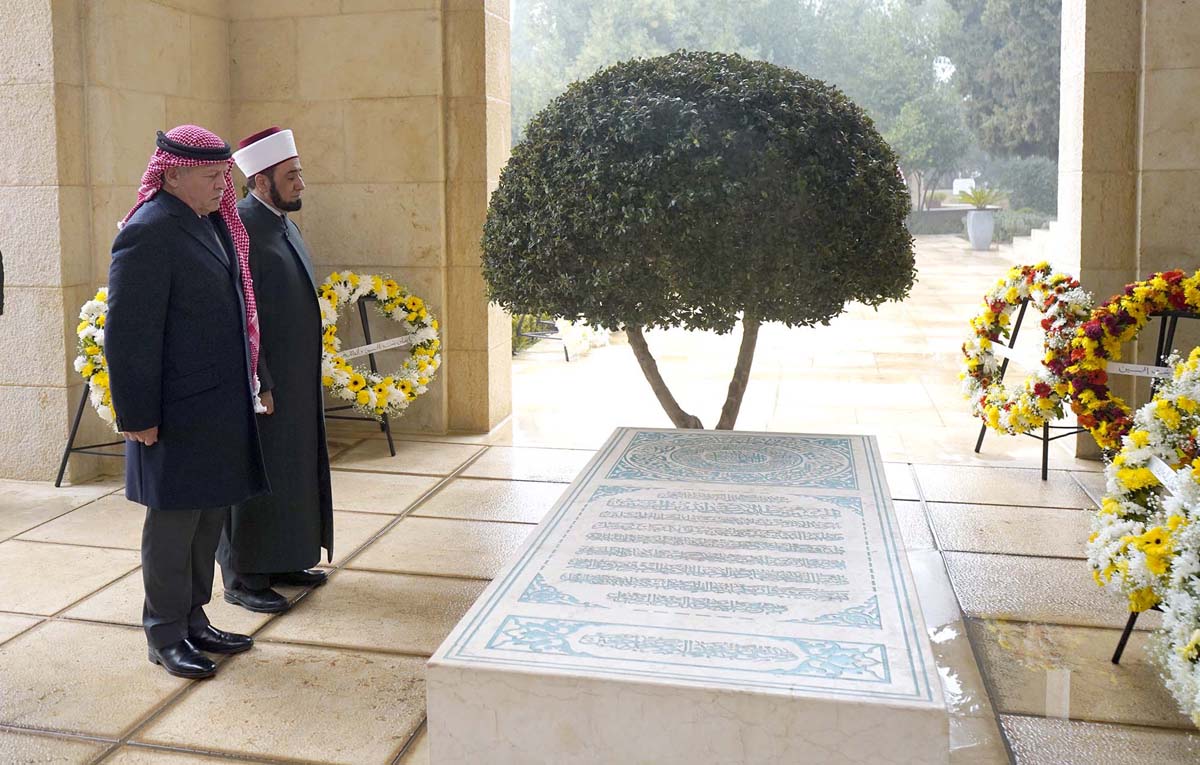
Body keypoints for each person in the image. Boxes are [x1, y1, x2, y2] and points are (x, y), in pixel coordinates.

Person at [105, 125, 270, 679]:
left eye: (226, 175)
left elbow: (239, 309)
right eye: (211, 176)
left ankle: (194, 617)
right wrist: (139, 417)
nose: (224, 185)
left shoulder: (209, 223)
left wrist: (259, 377)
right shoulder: (149, 232)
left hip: (219, 406)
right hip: (174, 413)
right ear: (171, 174)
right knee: (174, 525)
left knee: (208, 518)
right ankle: (165, 631)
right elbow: (128, 335)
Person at [219, 126, 333, 613]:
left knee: (292, 470)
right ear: (260, 182)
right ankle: (244, 577)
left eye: (300, 173)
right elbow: (241, 312)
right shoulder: (240, 227)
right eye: (291, 176)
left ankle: (285, 557)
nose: (301, 184)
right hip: (265, 385)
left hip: (296, 381)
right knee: (260, 475)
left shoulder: (282, 221)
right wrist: (260, 379)